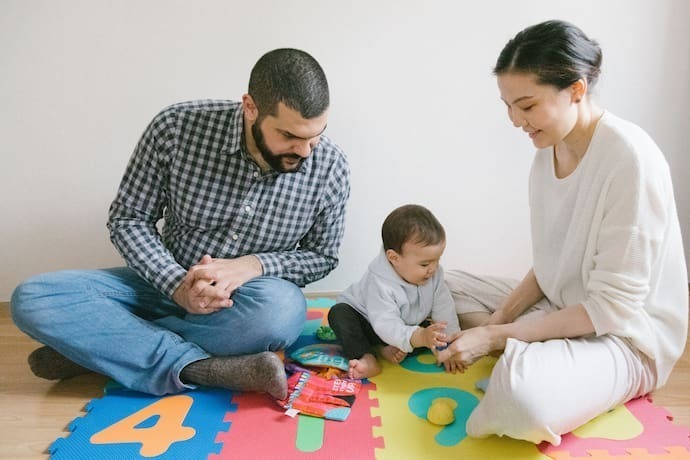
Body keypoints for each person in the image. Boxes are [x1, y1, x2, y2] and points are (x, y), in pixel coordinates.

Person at [10, 48, 351, 400]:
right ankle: (196, 367)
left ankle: (99, 351)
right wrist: (176, 285)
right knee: (34, 298)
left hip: (244, 305)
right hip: (160, 282)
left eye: (315, 136)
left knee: (282, 313)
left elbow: (322, 255)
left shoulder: (331, 168)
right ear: (250, 108)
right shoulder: (176, 128)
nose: (306, 150)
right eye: (290, 137)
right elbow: (129, 218)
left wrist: (253, 265)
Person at [439, 20, 688, 445]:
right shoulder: (547, 153)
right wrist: (499, 319)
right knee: (440, 283)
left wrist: (495, 335)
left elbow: (611, 311)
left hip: (626, 338)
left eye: (527, 105)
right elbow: (552, 263)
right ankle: (533, 354)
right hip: (564, 304)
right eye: (508, 106)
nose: (516, 120)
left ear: (576, 89)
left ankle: (529, 362)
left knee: (522, 399)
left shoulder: (631, 161)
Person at [328, 204, 461, 379]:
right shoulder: (379, 282)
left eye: (437, 260)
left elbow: (445, 310)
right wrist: (419, 337)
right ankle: (367, 357)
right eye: (425, 264)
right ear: (394, 258)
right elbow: (385, 323)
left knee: (432, 331)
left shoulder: (434, 274)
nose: (433, 269)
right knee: (339, 314)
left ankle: (390, 348)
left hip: (406, 326)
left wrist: (450, 347)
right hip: (370, 322)